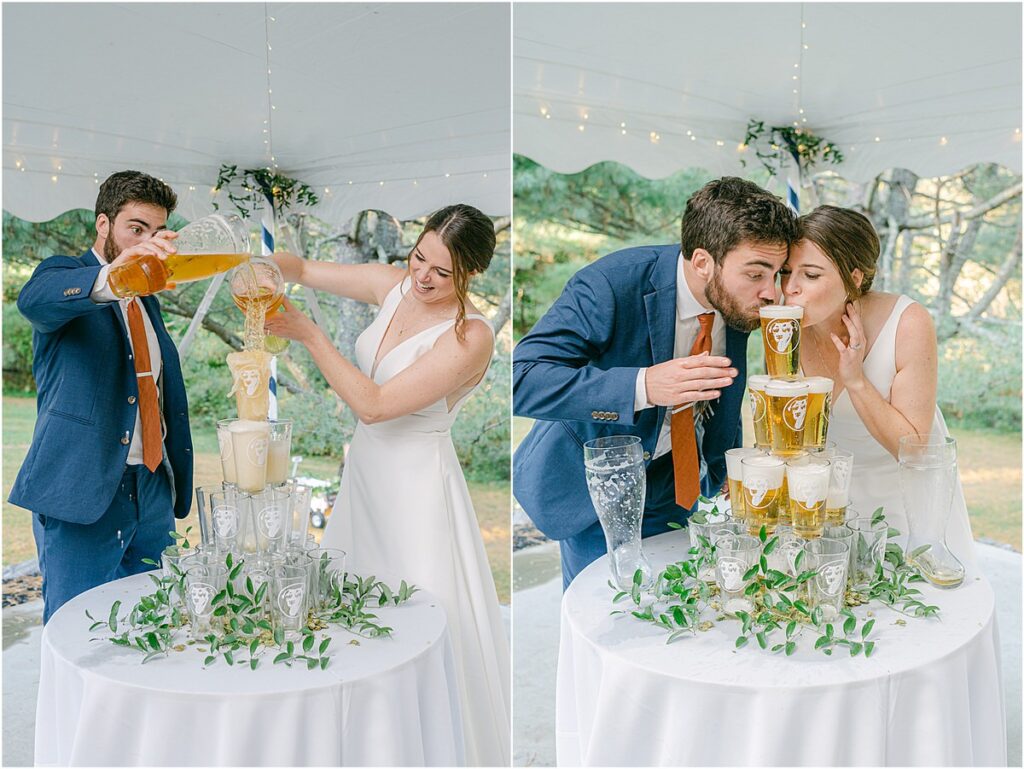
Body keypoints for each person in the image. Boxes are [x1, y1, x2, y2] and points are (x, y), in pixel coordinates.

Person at [264, 204, 510, 766]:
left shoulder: (469, 336)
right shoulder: (392, 287)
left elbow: (375, 407)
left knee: (417, 618)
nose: (422, 277)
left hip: (418, 491)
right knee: (350, 614)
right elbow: (299, 265)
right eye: (418, 258)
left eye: (442, 273)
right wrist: (258, 269)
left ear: (470, 275)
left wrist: (308, 333)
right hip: (366, 481)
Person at [513, 177, 799, 586]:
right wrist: (644, 386)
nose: (772, 293)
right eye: (756, 274)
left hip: (677, 487)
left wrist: (721, 467)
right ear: (703, 261)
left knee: (683, 612)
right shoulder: (610, 284)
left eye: (777, 273)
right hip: (596, 494)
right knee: (607, 612)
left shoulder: (740, 299)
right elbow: (522, 378)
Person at [9, 170, 193, 623]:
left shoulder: (150, 300)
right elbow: (34, 300)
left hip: (152, 488)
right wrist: (112, 279)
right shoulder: (66, 275)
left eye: (156, 231)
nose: (148, 242)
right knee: (75, 634)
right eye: (136, 229)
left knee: (154, 627)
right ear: (103, 225)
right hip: (83, 490)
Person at [781, 204, 975, 564]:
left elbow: (914, 450)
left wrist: (856, 380)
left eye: (810, 275)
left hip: (908, 508)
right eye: (786, 272)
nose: (790, 288)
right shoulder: (786, 330)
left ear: (854, 278)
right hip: (831, 509)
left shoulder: (908, 323)